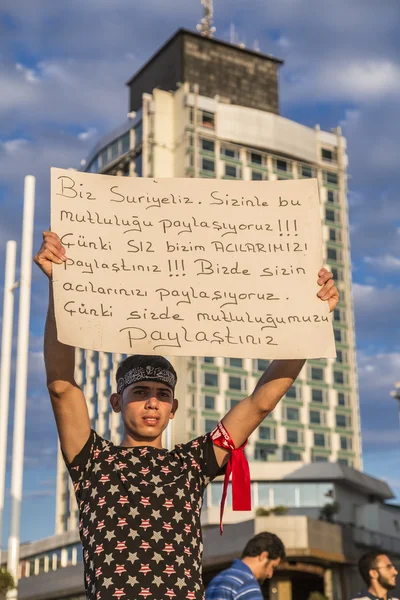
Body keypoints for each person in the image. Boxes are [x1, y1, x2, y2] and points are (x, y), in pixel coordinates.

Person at [34, 230, 339, 600]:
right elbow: (61, 387)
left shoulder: (192, 462)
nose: (152, 403)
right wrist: (59, 286)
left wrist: (311, 319)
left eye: (163, 395)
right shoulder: (92, 459)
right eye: (140, 393)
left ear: (173, 408)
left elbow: (260, 402)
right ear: (116, 401)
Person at [205, 531, 285, 600]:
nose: (270, 575)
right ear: (263, 556)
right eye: (272, 567)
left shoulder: (216, 580)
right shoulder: (247, 583)